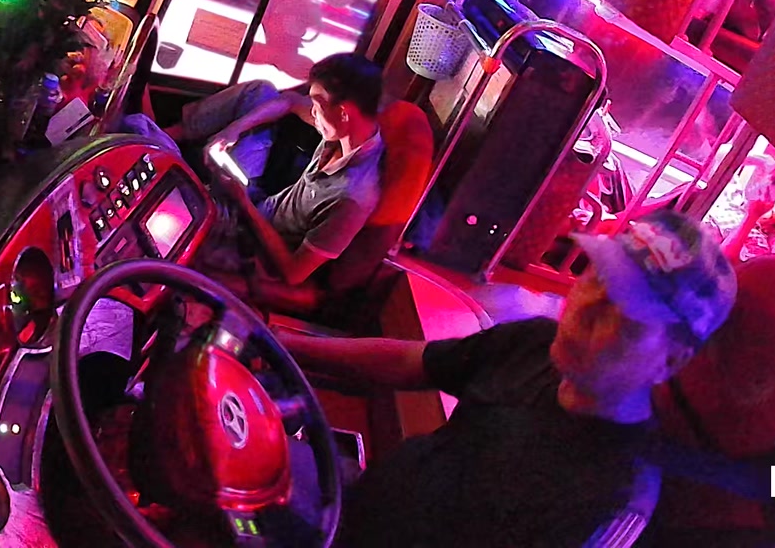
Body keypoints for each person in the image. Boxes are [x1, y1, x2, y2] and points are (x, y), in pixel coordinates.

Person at [276, 210, 737, 546]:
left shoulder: (616, 495)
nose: (584, 308)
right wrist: (281, 343)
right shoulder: (535, 344)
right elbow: (412, 362)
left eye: (627, 313)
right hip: (352, 500)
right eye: (597, 277)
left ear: (671, 361)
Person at [122, 53, 385, 288]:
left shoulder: (352, 199)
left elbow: (294, 273)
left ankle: (147, 137)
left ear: (344, 113)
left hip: (246, 239)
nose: (312, 112)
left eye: (317, 106)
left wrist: (242, 202)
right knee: (260, 92)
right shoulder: (348, 130)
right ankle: (164, 133)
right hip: (256, 201)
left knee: (145, 146)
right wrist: (234, 130)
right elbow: (290, 101)